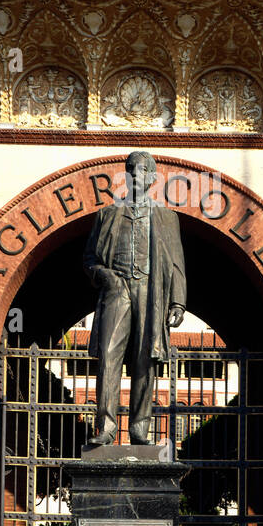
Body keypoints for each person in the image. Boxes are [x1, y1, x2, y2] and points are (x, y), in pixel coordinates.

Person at [82, 151, 186, 446]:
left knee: (145, 360)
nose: (134, 176)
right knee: (109, 357)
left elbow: (176, 262)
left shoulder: (167, 217)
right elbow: (89, 258)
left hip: (150, 291)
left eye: (140, 171)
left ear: (153, 178)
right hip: (116, 290)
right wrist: (102, 275)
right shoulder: (107, 215)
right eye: (130, 171)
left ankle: (140, 427)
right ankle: (105, 427)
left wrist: (177, 303)